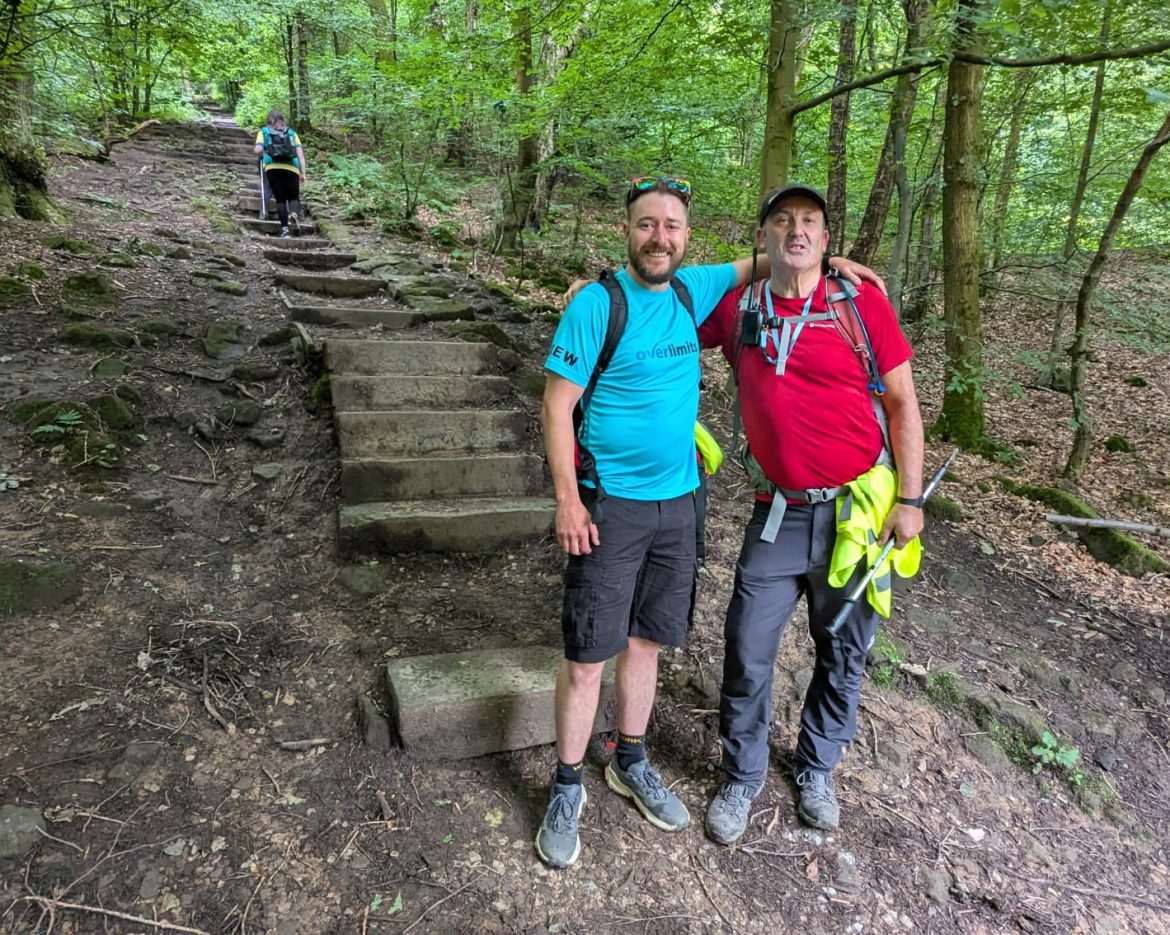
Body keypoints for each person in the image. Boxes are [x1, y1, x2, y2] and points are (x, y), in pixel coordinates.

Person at [535, 177, 881, 869]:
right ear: (626, 231)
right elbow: (554, 406)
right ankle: (566, 783)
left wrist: (830, 263)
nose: (659, 236)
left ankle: (628, 760)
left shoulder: (696, 289)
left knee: (646, 643)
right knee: (586, 658)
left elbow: (774, 261)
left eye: (671, 225)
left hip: (680, 504)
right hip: (609, 505)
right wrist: (568, 500)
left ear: (687, 235)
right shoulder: (597, 306)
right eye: (645, 224)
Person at [698, 184, 925, 845]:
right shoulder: (739, 308)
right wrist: (596, 300)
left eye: (810, 223)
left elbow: (904, 406)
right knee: (746, 648)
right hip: (776, 513)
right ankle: (742, 774)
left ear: (827, 240)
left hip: (856, 515)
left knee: (844, 650)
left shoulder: (861, 305)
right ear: (764, 236)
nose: (796, 230)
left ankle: (818, 766)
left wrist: (909, 500)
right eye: (782, 220)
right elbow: (662, 314)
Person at [253, 110, 306, 238]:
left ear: (269, 120)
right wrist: (303, 173)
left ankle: (285, 230)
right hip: (292, 167)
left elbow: (258, 149)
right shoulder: (292, 133)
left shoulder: (264, 131)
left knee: (280, 199)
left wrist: (261, 152)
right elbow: (300, 155)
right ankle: (293, 213)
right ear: (282, 119)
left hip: (272, 167)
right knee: (293, 196)